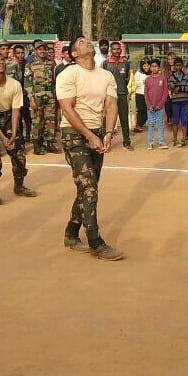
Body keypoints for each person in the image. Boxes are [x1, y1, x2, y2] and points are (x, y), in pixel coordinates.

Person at [56, 35, 123, 261]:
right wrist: (89, 136)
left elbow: (111, 104)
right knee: (90, 188)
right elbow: (67, 108)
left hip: (97, 132)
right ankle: (95, 241)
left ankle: (71, 233)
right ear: (74, 53)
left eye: (88, 41)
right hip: (74, 134)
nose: (88, 43)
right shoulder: (68, 74)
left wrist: (107, 133)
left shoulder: (106, 75)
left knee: (86, 187)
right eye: (82, 42)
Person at [0, 52, 37, 205]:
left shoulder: (15, 84)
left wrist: (14, 132)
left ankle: (19, 185)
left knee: (19, 155)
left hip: (9, 117)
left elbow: (16, 110)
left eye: (2, 60)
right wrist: (3, 137)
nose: (1, 63)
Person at [24, 39, 59, 155]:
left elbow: (55, 80)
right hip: (36, 96)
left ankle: (49, 143)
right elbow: (28, 83)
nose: (42, 51)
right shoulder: (30, 64)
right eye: (40, 49)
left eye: (44, 49)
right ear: (35, 51)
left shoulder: (51, 63)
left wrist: (55, 95)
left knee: (50, 121)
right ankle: (37, 145)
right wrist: (31, 99)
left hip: (50, 96)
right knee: (37, 121)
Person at [102, 41, 133, 150]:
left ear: (121, 50)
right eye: (114, 49)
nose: (117, 51)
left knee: (124, 119)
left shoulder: (126, 63)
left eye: (118, 49)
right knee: (108, 120)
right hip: (109, 96)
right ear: (111, 50)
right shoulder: (105, 63)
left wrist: (124, 88)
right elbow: (103, 79)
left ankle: (127, 142)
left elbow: (128, 78)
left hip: (122, 94)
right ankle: (106, 143)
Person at [144, 59, 169, 150]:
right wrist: (149, 105)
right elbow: (146, 93)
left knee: (160, 124)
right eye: (152, 66)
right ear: (150, 68)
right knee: (150, 124)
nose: (154, 68)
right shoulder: (147, 79)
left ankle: (161, 141)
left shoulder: (163, 78)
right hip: (150, 107)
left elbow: (165, 92)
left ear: (159, 67)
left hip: (160, 107)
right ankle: (150, 142)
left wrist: (160, 104)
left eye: (156, 66)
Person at [168, 57, 188, 147]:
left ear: (182, 66)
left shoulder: (186, 76)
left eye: (179, 65)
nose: (178, 66)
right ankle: (175, 140)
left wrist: (179, 88)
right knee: (175, 121)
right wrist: (179, 88)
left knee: (185, 120)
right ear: (174, 66)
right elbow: (171, 87)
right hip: (175, 102)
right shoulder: (171, 77)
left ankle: (185, 139)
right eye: (176, 65)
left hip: (185, 102)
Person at [132, 59, 150, 133]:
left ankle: (141, 124)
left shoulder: (152, 72)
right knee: (140, 110)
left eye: (147, 65)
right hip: (139, 93)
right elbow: (136, 83)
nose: (146, 67)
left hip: (149, 94)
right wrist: (144, 80)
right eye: (144, 66)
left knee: (147, 110)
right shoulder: (138, 73)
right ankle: (139, 125)